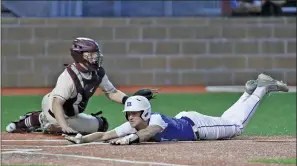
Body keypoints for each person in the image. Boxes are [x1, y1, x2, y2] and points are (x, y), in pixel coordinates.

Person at [63, 73, 289, 145]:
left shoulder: (156, 120)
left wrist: (130, 139)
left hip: (198, 127)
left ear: (145, 113)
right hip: (189, 121)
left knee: (235, 126)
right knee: (227, 120)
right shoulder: (133, 124)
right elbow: (105, 134)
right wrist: (82, 138)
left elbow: (149, 133)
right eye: (128, 114)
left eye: (133, 114)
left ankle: (260, 89)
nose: (130, 117)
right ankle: (248, 92)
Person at [6, 37, 156, 134]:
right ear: (79, 56)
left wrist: (130, 100)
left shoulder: (97, 72)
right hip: (54, 109)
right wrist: (64, 125)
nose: (95, 57)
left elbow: (111, 92)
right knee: (69, 129)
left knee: (101, 125)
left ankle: (44, 121)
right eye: (90, 54)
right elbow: (57, 102)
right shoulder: (69, 76)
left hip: (71, 112)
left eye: (95, 54)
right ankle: (42, 120)